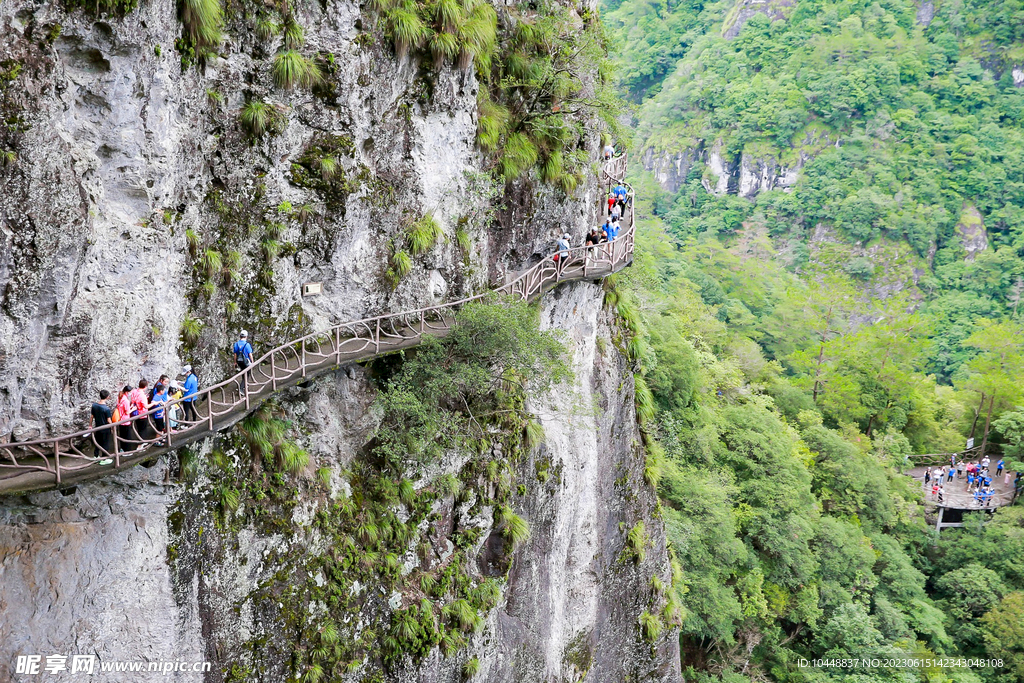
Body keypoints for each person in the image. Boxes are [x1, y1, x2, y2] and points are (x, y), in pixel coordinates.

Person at [90, 390, 114, 458]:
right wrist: (112, 427)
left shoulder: (94, 405)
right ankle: (104, 458)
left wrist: (90, 425)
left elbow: (92, 416)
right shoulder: (106, 409)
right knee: (105, 444)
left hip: (98, 427)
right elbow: (109, 420)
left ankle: (96, 455)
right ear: (107, 397)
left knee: (98, 442)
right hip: (105, 428)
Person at [234, 330, 254, 395]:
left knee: (243, 373)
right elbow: (250, 355)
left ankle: (244, 385)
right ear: (246, 336)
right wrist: (252, 362)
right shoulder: (247, 345)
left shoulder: (236, 344)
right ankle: (241, 388)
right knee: (247, 374)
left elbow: (235, 355)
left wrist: (235, 362)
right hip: (246, 362)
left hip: (239, 361)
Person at [116, 385, 134, 451]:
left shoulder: (119, 398)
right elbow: (127, 412)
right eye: (130, 392)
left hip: (120, 420)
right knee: (127, 437)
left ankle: (122, 449)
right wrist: (133, 409)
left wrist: (130, 407)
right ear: (127, 392)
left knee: (122, 436)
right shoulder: (126, 400)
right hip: (126, 421)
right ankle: (127, 451)